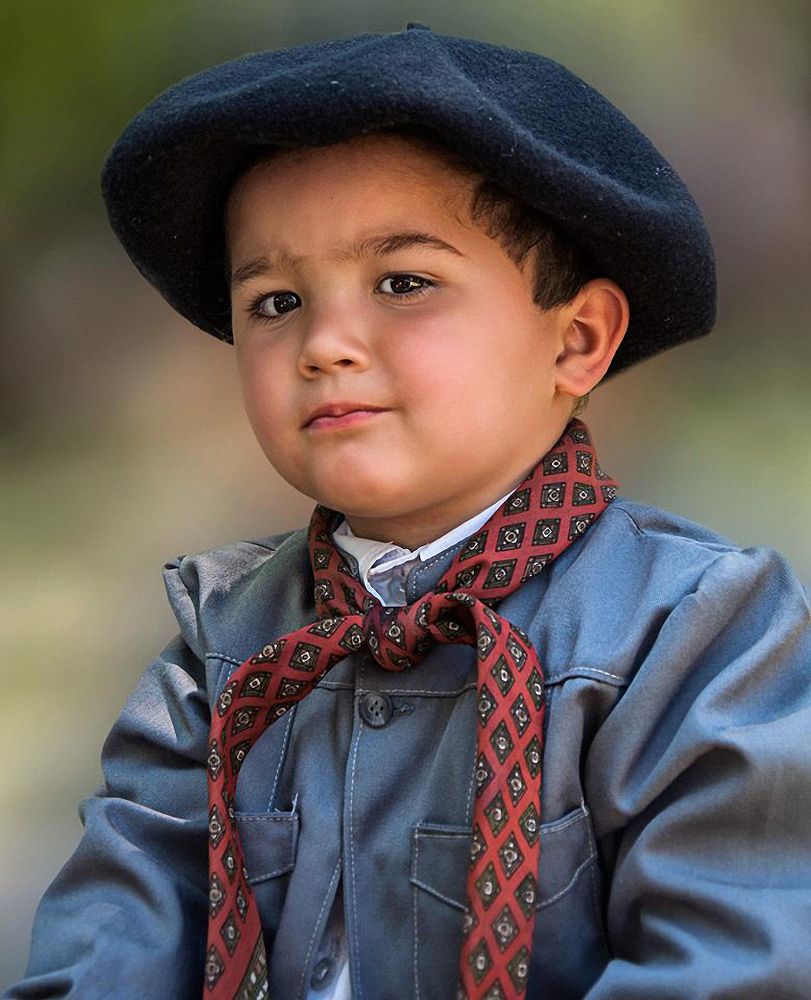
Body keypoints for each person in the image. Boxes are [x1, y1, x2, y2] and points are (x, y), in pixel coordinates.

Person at [7, 22, 810, 1000]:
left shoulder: (698, 635)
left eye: (403, 282)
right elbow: (109, 947)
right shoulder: (219, 648)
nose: (326, 343)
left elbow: (735, 966)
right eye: (273, 300)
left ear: (578, 339)